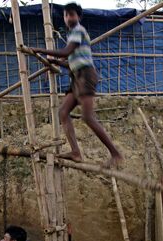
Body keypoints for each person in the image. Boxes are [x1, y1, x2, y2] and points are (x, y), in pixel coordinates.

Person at [28, 2, 123, 168]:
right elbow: (71, 61)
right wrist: (55, 62)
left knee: (87, 117)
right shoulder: (73, 34)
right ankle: (75, 152)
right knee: (63, 112)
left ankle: (115, 153)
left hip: (86, 75)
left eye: (71, 14)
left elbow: (66, 52)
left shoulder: (78, 30)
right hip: (76, 77)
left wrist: (40, 50)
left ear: (79, 17)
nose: (68, 17)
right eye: (66, 15)